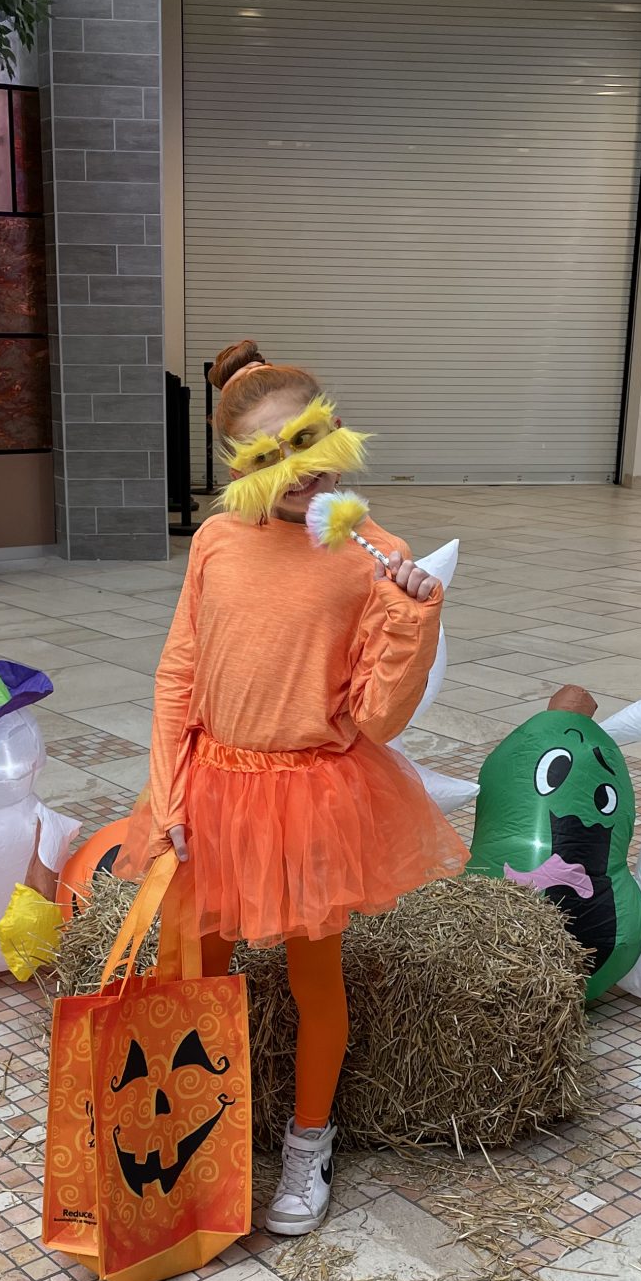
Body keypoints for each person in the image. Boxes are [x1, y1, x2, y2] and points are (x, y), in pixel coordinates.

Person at [119, 340, 471, 1235]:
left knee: (316, 977)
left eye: (305, 443)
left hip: (311, 796)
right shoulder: (217, 540)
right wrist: (167, 798)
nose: (293, 470)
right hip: (212, 789)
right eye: (264, 456)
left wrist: (412, 617)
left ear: (335, 430)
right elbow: (179, 673)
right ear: (236, 467)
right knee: (199, 974)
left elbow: (379, 717)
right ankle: (194, 1134)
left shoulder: (373, 555)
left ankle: (309, 1143)